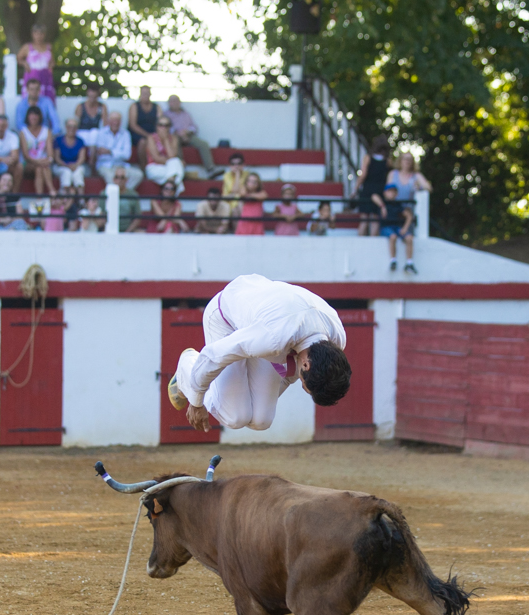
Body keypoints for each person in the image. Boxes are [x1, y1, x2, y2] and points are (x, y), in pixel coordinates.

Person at [168, 274, 351, 433]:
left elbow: (289, 375)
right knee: (235, 417)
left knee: (261, 419)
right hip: (227, 319)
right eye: (306, 386)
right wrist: (196, 401)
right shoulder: (273, 339)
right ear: (306, 364)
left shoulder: (336, 340)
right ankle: (187, 366)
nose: (304, 388)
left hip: (264, 323)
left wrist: (260, 397)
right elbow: (214, 355)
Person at [163, 94, 216, 176]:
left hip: (188, 136)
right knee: (175, 143)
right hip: (174, 136)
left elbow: (194, 127)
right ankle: (181, 170)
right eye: (172, 101)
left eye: (176, 101)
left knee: (203, 144)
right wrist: (179, 133)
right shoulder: (166, 114)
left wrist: (187, 132)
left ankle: (210, 169)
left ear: (180, 102)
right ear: (169, 103)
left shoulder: (186, 114)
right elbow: (165, 128)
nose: (175, 103)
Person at [373, 183, 415, 272]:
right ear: (385, 193)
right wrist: (382, 206)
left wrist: (405, 228)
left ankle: (409, 263)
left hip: (396, 227)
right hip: (386, 227)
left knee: (409, 238)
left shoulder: (397, 204)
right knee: (393, 237)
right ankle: (393, 261)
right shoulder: (382, 202)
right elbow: (374, 196)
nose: (391, 194)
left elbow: (409, 216)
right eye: (389, 191)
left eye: (393, 192)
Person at [354, 134, 390, 236]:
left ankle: (360, 242)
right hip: (379, 190)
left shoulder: (368, 158)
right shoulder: (387, 161)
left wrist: (355, 188)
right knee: (375, 219)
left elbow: (363, 175)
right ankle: (373, 243)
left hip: (367, 189)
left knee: (364, 219)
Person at [144, 114, 185, 193]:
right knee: (176, 167)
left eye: (166, 125)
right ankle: (175, 189)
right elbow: (156, 158)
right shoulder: (151, 138)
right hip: (154, 168)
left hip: (168, 167)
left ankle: (169, 188)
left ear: (169, 127)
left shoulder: (173, 138)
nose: (163, 128)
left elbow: (172, 155)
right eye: (160, 125)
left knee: (175, 162)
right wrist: (174, 162)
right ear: (156, 127)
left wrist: (166, 140)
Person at [20, 106, 55, 196]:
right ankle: (52, 191)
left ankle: (40, 198)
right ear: (28, 116)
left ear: (40, 117)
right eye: (31, 114)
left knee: (40, 168)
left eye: (36, 114)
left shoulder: (47, 131)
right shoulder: (23, 132)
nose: (34, 117)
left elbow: (50, 153)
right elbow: (25, 155)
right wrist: (38, 161)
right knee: (41, 167)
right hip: (29, 164)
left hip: (43, 164)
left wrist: (48, 160)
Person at [17, 23, 56, 100]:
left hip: (45, 76)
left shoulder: (48, 47)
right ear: (32, 34)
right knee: (31, 97)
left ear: (44, 35)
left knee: (46, 98)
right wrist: (25, 63)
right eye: (36, 33)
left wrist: (51, 66)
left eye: (41, 34)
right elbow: (18, 58)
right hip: (32, 75)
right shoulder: (27, 47)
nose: (38, 36)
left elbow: (52, 61)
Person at [127, 85, 158, 164]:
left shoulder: (156, 107)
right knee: (143, 142)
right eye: (143, 93)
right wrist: (148, 136)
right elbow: (133, 125)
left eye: (147, 93)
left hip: (153, 134)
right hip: (137, 135)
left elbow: (160, 122)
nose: (145, 95)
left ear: (150, 94)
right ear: (140, 94)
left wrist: (154, 136)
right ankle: (144, 169)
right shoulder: (134, 106)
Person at [53, 117, 87, 190]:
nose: (72, 129)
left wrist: (75, 165)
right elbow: (57, 158)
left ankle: (81, 199)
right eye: (70, 126)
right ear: (66, 127)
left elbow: (82, 158)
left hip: (76, 165)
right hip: (61, 165)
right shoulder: (58, 140)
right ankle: (65, 198)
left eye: (74, 127)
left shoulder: (80, 141)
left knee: (78, 173)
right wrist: (65, 165)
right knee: (66, 172)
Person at [73, 84, 107, 156]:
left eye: (94, 97)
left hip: (96, 134)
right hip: (82, 133)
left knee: (94, 133)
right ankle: (92, 157)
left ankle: (92, 158)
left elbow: (105, 124)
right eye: (90, 96)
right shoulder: (80, 107)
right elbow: (75, 123)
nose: (92, 99)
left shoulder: (102, 107)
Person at [110, 167, 142, 232]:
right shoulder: (105, 194)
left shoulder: (133, 195)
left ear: (126, 180)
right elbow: (101, 216)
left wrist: (127, 232)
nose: (119, 180)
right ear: (113, 179)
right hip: (109, 230)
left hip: (129, 231)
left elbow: (138, 217)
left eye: (122, 178)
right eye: (117, 177)